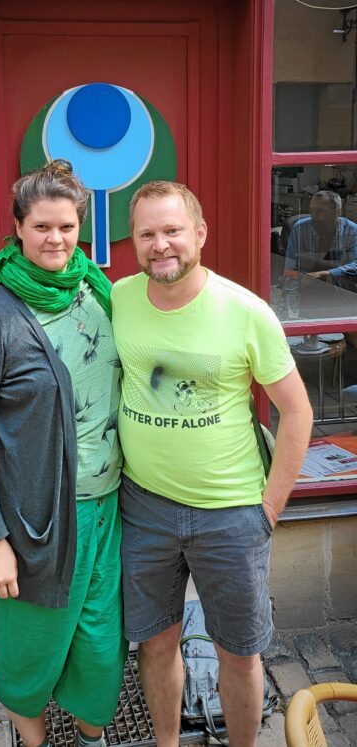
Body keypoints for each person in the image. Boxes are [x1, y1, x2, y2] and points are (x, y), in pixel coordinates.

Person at [111, 181, 313, 747]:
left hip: (231, 514)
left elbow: (297, 413)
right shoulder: (118, 299)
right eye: (147, 233)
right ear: (134, 241)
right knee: (155, 643)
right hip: (144, 506)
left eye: (173, 230)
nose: (161, 245)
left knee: (240, 652)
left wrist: (267, 510)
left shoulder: (246, 312)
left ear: (198, 234)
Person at [0, 160, 126, 747]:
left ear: (82, 230)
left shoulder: (98, 295)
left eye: (67, 227)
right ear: (18, 229)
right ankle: (33, 738)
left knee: (100, 647)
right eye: (42, 226)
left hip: (107, 513)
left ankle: (93, 736)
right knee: (31, 653)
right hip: (35, 526)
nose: (56, 239)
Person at [284, 190, 357, 288]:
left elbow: (355, 264)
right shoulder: (300, 229)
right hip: (306, 286)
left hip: (339, 287)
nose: (314, 216)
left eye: (320, 211)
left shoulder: (352, 231)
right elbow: (290, 266)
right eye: (312, 210)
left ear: (338, 211)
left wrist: (326, 274)